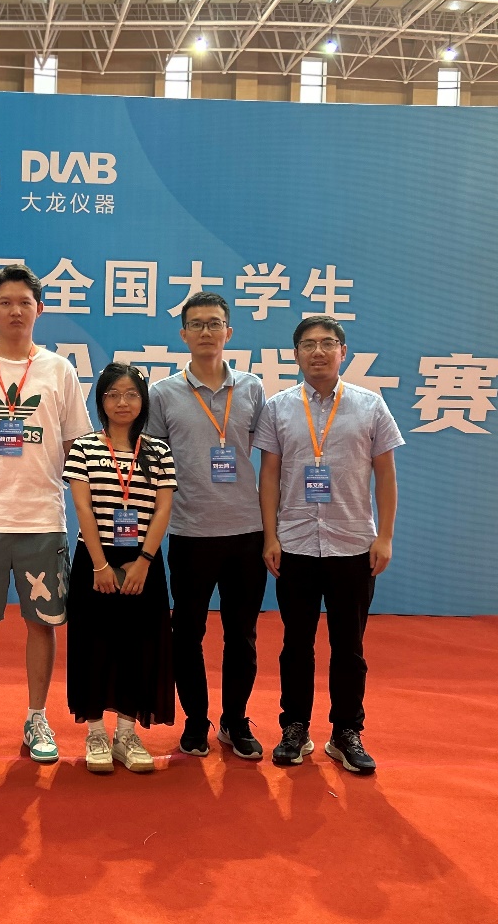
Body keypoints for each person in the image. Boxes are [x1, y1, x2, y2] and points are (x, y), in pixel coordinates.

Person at [0, 263, 94, 764]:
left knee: (42, 623)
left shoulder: (59, 370)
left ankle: (36, 717)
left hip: (41, 521)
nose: (15, 311)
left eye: (24, 303)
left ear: (39, 309)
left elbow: (74, 442)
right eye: (5, 302)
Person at [256, 315, 404, 776]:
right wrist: (270, 535)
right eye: (308, 344)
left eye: (327, 343)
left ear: (343, 351)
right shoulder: (278, 407)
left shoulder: (370, 405)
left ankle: (346, 732)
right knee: (295, 644)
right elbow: (269, 475)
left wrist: (385, 536)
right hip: (296, 543)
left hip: (353, 544)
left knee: (349, 647)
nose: (317, 352)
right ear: (295, 354)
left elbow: (386, 475)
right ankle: (294, 728)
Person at [145, 292, 268, 758]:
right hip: (190, 532)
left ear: (228, 333)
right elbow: (153, 464)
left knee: (242, 635)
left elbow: (265, 456)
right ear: (183, 334)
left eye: (214, 323)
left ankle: (235, 721)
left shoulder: (252, 388)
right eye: (196, 324)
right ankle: (196, 721)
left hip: (246, 532)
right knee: (187, 634)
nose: (205, 332)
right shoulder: (163, 394)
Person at [64, 364, 176, 773]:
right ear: (101, 401)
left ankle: (126, 735)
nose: (122, 402)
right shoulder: (84, 448)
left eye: (131, 394)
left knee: (140, 646)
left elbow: (163, 508)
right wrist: (100, 564)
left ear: (143, 400)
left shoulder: (158, 451)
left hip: (143, 562)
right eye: (113, 394)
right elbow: (82, 507)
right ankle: (95, 732)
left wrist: (144, 562)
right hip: (95, 561)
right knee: (93, 644)